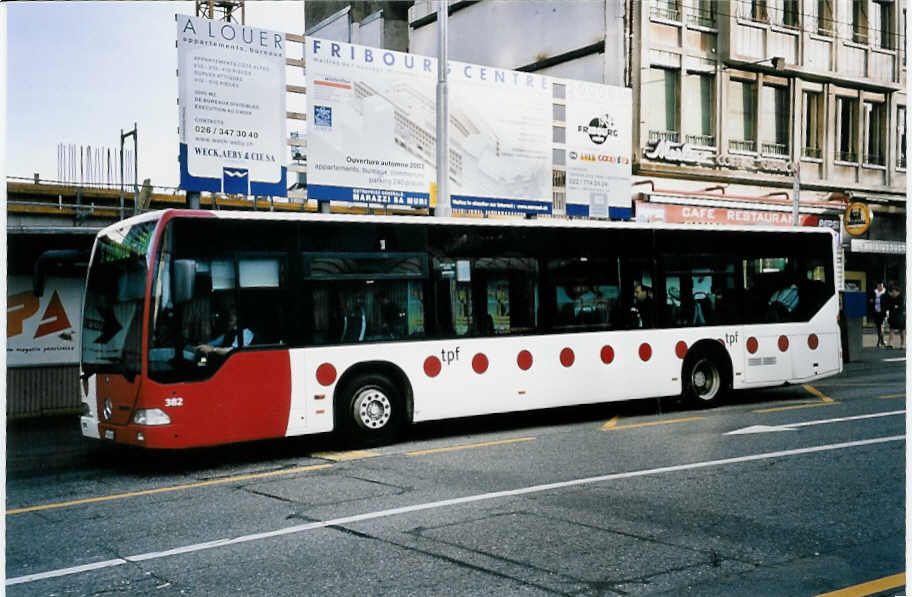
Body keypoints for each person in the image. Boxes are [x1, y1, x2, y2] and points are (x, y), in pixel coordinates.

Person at [885, 285, 905, 349]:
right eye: (892, 291)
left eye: (894, 291)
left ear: (897, 292)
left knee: (901, 331)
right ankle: (890, 344)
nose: (893, 292)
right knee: (891, 330)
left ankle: (902, 345)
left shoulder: (901, 298)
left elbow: (900, 307)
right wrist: (895, 307)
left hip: (900, 317)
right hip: (892, 317)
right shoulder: (891, 298)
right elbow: (889, 306)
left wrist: (895, 307)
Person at [870, 281, 887, 348]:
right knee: (878, 327)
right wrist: (871, 301)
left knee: (881, 326)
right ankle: (881, 341)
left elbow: (888, 302)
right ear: (877, 286)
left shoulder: (885, 293)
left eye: (881, 285)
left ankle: (879, 341)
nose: (880, 287)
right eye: (878, 285)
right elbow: (870, 300)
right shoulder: (874, 292)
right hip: (876, 312)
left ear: (883, 286)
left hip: (883, 312)